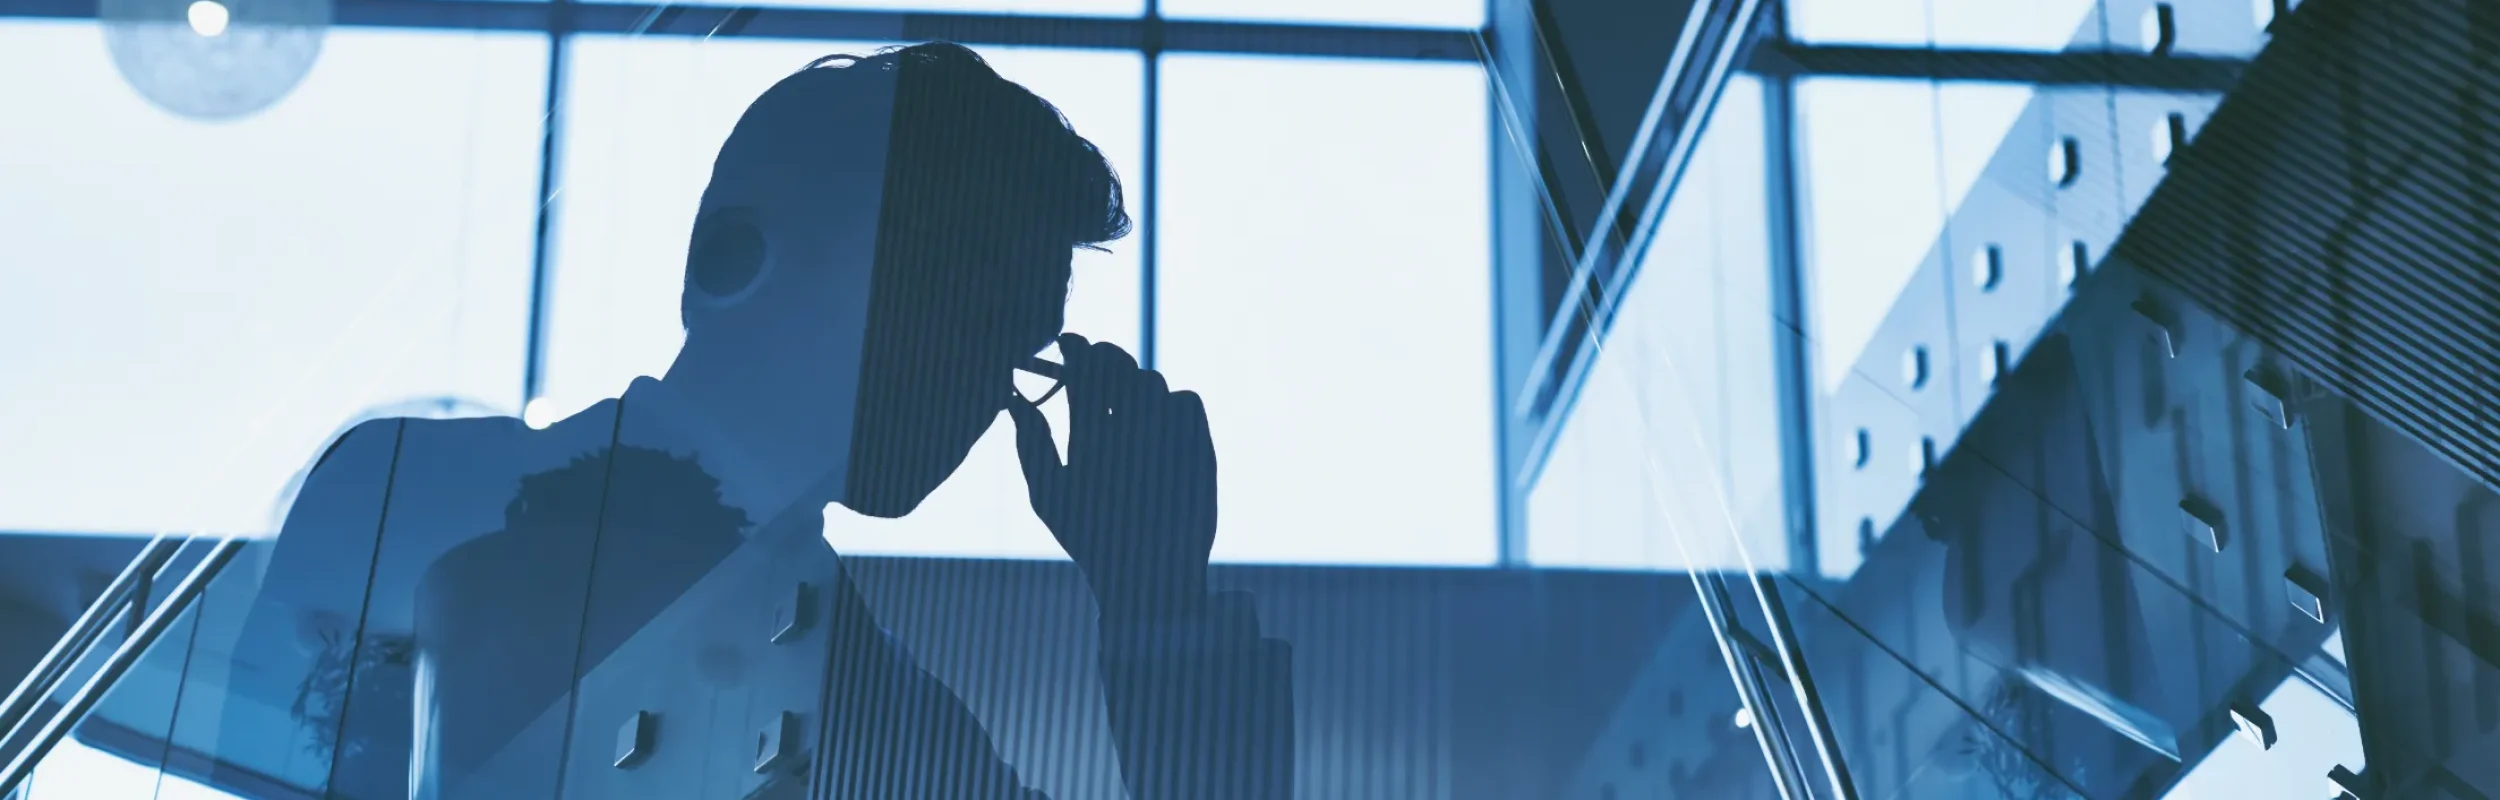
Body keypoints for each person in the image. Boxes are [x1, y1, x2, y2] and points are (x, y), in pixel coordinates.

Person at [211, 42, 1292, 800]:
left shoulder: (874, 693)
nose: (985, 389)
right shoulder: (408, 492)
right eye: (967, 313)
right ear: (741, 259)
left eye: (1016, 348)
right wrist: (1158, 609)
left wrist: (1158, 605)